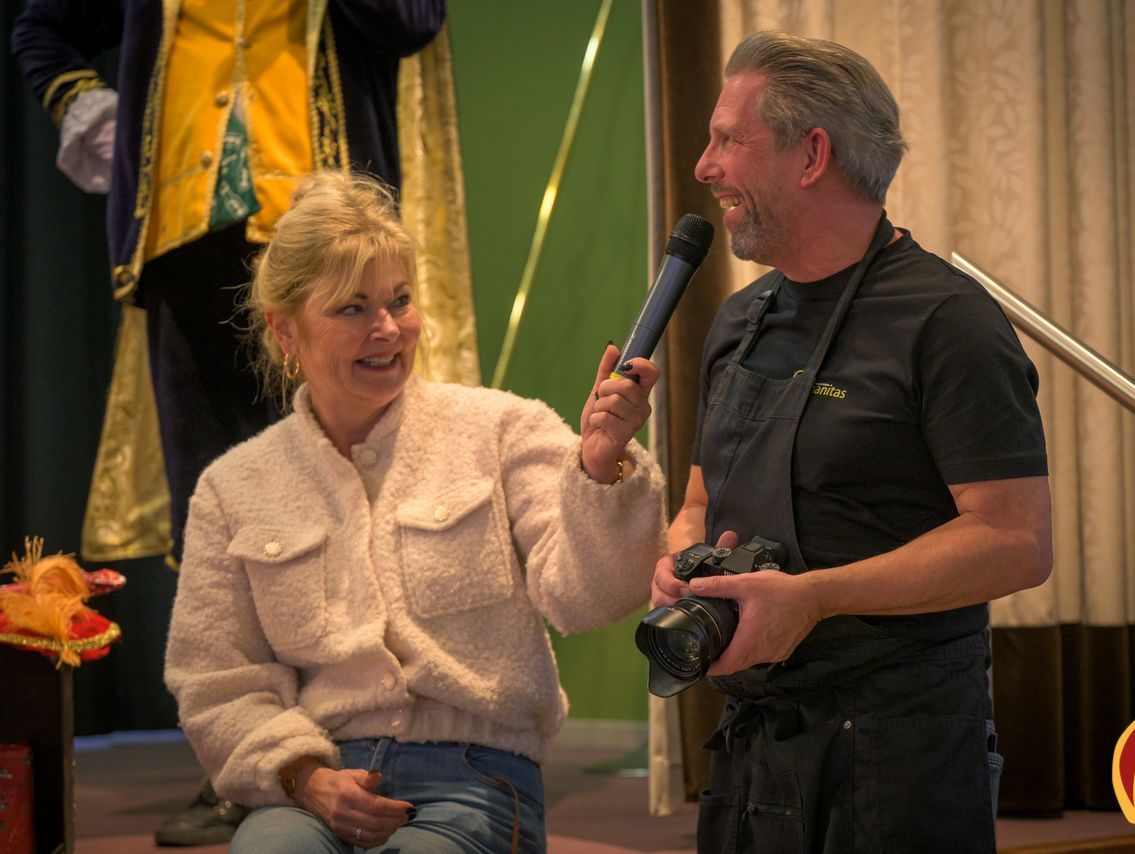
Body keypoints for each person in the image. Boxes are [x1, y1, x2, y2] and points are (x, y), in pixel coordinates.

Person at [12, 3, 448, 842]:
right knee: (214, 515)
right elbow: (42, 25)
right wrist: (99, 115)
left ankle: (374, 744)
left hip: (325, 247)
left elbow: (413, 20)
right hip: (185, 243)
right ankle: (249, 763)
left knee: (349, 496)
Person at [163, 170, 666, 852]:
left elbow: (589, 598)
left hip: (480, 778)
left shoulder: (502, 429)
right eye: (353, 309)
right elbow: (215, 681)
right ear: (285, 330)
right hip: (315, 786)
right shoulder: (233, 486)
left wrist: (603, 471)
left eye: (400, 300)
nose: (388, 329)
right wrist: (305, 778)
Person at [650, 32, 1053, 853]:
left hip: (898, 752)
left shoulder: (948, 322)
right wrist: (680, 560)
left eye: (728, 140)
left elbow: (1016, 541)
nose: (704, 166)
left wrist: (815, 597)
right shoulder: (739, 320)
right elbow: (699, 500)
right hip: (753, 747)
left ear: (812, 155)